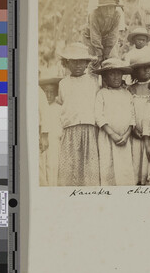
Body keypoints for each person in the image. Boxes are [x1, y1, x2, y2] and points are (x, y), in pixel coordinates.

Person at [57, 43, 100, 186]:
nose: (77, 65)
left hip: (89, 128)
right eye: (73, 61)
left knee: (89, 167)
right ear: (67, 63)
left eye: (81, 61)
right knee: (70, 168)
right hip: (70, 129)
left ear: (87, 63)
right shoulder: (63, 83)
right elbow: (62, 104)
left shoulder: (94, 82)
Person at [94, 58, 135, 186]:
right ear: (105, 78)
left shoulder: (127, 94)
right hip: (108, 137)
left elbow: (132, 115)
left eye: (118, 73)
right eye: (112, 74)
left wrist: (127, 134)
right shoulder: (102, 94)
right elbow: (98, 116)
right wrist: (112, 134)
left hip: (124, 138)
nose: (116, 77)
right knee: (108, 165)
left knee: (124, 167)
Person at [128, 52, 150, 185]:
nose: (147, 70)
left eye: (149, 67)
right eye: (143, 67)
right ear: (135, 71)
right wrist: (133, 127)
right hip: (136, 132)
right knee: (136, 157)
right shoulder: (130, 89)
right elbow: (129, 110)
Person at [85, 0, 123, 69]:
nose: (108, 11)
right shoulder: (94, 15)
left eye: (111, 8)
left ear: (115, 8)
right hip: (90, 37)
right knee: (93, 62)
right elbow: (95, 35)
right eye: (105, 8)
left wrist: (107, 52)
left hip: (106, 36)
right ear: (100, 8)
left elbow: (113, 34)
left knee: (111, 60)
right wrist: (99, 54)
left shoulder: (117, 15)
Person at [39, 73, 63, 186]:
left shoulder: (59, 108)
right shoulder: (40, 107)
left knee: (53, 165)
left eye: (51, 92)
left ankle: (53, 187)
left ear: (56, 93)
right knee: (42, 165)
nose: (48, 95)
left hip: (54, 140)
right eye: (45, 92)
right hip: (42, 140)